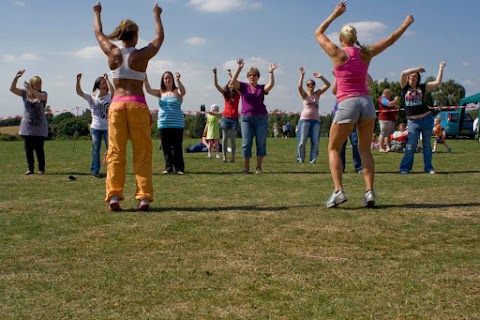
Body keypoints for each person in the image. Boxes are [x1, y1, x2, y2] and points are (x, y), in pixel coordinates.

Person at [314, 0, 414, 208]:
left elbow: (317, 32)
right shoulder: (366, 53)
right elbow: (390, 40)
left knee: (333, 148)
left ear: (341, 39)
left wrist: (334, 15)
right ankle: (369, 192)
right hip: (366, 102)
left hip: (347, 102)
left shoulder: (337, 53)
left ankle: (338, 191)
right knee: (365, 150)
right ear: (356, 38)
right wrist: (405, 25)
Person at [93, 2, 164, 211]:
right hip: (137, 106)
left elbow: (98, 33)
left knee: (115, 152)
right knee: (142, 153)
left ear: (121, 35)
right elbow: (159, 38)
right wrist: (157, 15)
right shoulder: (141, 55)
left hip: (116, 107)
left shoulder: (112, 53)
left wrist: (97, 13)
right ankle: (143, 197)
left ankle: (113, 195)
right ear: (135, 36)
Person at [231, 58, 277, 174]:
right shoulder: (243, 86)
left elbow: (270, 85)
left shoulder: (261, 88)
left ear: (258, 77)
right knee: (246, 143)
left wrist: (271, 72)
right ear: (247, 77)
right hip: (246, 119)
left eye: (254, 75)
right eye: (250, 75)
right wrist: (239, 68)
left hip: (261, 118)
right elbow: (232, 81)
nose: (252, 77)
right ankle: (246, 167)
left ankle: (258, 167)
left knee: (260, 143)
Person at [399, 61, 446, 174]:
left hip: (426, 119)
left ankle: (428, 168)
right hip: (413, 121)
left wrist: (440, 67)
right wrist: (417, 69)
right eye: (410, 76)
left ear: (418, 78)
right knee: (411, 145)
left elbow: (437, 82)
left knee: (427, 145)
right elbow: (402, 74)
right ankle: (405, 168)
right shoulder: (404, 87)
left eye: (414, 76)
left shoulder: (422, 87)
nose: (412, 77)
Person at [145, 71, 186, 175]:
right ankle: (168, 168)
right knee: (166, 147)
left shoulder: (177, 91)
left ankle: (179, 168)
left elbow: (183, 92)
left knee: (177, 147)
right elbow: (149, 90)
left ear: (172, 79)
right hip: (163, 123)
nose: (167, 80)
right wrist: (145, 79)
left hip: (177, 123)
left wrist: (178, 80)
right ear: (163, 81)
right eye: (165, 78)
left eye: (169, 78)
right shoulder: (160, 92)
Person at [9, 70, 48, 175]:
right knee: (28, 149)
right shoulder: (25, 93)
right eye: (36, 84)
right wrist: (16, 77)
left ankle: (41, 169)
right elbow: (12, 89)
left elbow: (42, 98)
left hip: (40, 127)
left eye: (39, 84)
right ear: (31, 84)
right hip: (27, 127)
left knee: (39, 149)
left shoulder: (43, 94)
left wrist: (31, 89)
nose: (38, 85)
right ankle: (30, 169)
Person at [75, 73, 114, 177]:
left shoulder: (110, 97)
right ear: (97, 85)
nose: (104, 85)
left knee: (111, 149)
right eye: (102, 83)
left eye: (105, 83)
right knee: (96, 148)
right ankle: (94, 170)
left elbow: (113, 91)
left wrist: (107, 79)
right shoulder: (92, 97)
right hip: (95, 127)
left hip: (108, 127)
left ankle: (112, 170)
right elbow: (79, 92)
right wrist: (78, 81)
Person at [297, 66, 331, 163]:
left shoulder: (317, 94)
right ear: (307, 86)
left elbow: (328, 85)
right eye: (308, 84)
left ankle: (313, 160)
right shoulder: (304, 95)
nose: (310, 85)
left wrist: (321, 77)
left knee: (315, 141)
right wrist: (302, 75)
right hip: (304, 120)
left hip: (316, 121)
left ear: (314, 85)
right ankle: (300, 158)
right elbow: (299, 87)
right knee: (302, 141)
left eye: (312, 84)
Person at [213, 66, 240, 162]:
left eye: (232, 84)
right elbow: (216, 85)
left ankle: (232, 158)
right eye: (230, 84)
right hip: (225, 117)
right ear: (228, 86)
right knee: (224, 138)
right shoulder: (225, 93)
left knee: (232, 138)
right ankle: (224, 157)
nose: (231, 85)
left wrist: (230, 75)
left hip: (234, 118)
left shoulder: (238, 94)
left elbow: (236, 83)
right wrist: (215, 74)